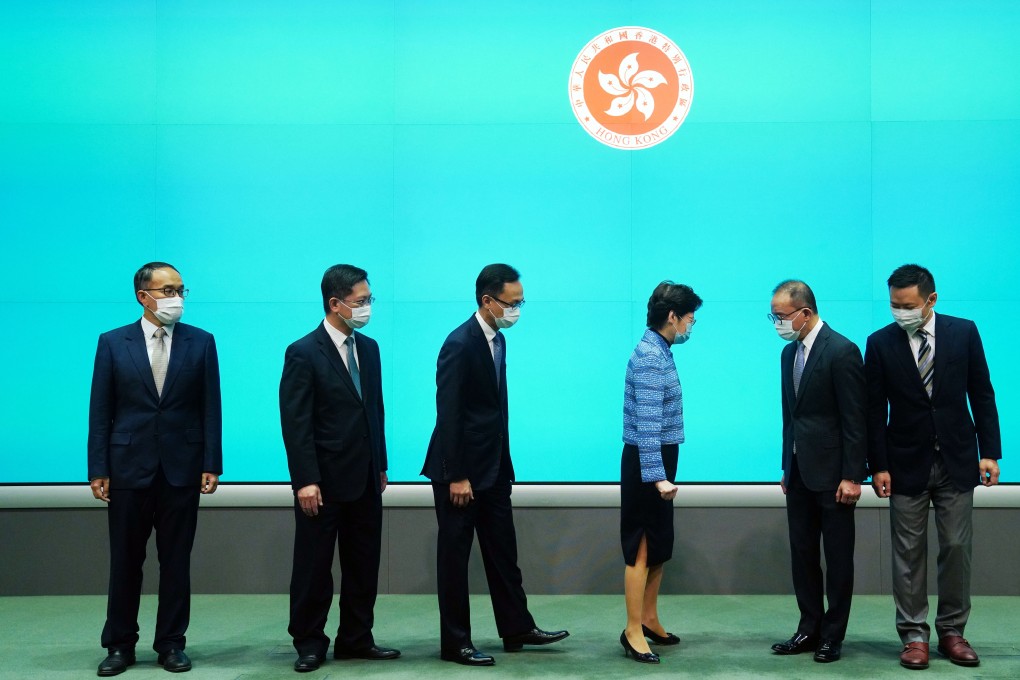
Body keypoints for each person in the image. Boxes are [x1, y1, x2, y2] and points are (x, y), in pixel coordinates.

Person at [421, 263, 569, 666]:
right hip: (461, 472)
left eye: (521, 302)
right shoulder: (459, 343)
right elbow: (449, 414)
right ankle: (456, 642)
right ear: (487, 301)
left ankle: (517, 627)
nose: (516, 310)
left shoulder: (498, 340)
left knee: (504, 552)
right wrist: (458, 473)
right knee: (454, 560)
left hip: (495, 468)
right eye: (511, 303)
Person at [88, 262, 222, 676]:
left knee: (176, 561)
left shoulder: (201, 342)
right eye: (167, 291)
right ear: (142, 296)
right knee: (125, 561)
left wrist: (211, 462)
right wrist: (98, 467)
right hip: (128, 469)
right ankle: (119, 645)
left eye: (180, 289)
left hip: (182, 468)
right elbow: (100, 410)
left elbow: (210, 408)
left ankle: (170, 644)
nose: (176, 297)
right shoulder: (113, 342)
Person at [865, 264, 1001, 670]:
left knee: (957, 548)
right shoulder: (880, 343)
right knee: (907, 553)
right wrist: (878, 465)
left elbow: (982, 391)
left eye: (907, 305)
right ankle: (913, 636)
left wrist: (990, 451)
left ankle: (953, 632)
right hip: (905, 462)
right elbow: (874, 411)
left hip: (957, 459)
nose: (900, 312)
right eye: (894, 305)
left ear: (931, 300)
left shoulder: (964, 332)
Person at [279, 264, 400, 673]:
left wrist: (380, 464)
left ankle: (356, 638)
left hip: (365, 478)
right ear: (335, 303)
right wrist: (305, 480)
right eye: (360, 301)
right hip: (323, 482)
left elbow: (375, 411)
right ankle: (310, 642)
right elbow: (296, 423)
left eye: (369, 299)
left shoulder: (369, 348)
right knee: (313, 567)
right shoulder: (303, 351)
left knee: (364, 563)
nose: (367, 307)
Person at [768, 279, 865, 664]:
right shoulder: (787, 355)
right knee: (803, 554)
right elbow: (790, 418)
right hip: (799, 474)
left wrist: (854, 475)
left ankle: (832, 635)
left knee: (838, 558)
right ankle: (808, 628)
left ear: (805, 313)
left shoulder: (842, 351)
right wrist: (786, 465)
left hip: (835, 477)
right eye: (773, 316)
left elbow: (855, 419)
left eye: (781, 316)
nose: (777, 323)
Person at [619, 282, 702, 665]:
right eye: (689, 317)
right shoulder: (651, 356)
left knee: (659, 545)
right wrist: (657, 477)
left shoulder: (661, 350)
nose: (691, 324)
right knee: (642, 546)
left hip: (659, 459)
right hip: (646, 463)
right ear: (672, 317)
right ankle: (633, 630)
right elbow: (648, 423)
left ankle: (650, 618)